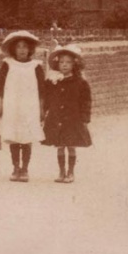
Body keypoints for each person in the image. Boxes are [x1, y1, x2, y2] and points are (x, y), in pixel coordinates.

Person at [0, 30, 45, 182]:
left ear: (30, 49)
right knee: (14, 136)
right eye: (18, 47)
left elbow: (42, 90)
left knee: (26, 137)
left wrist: (42, 109)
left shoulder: (36, 66)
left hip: (30, 106)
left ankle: (25, 169)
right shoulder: (7, 64)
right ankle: (15, 167)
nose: (22, 50)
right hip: (12, 105)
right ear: (13, 49)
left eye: (25, 47)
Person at [42, 44, 92, 183]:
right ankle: (61, 171)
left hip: (73, 118)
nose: (64, 65)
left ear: (74, 64)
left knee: (71, 144)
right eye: (61, 62)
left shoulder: (80, 82)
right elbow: (46, 98)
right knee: (59, 145)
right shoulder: (52, 81)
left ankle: (70, 172)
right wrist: (43, 112)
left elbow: (86, 101)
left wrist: (85, 117)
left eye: (68, 62)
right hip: (56, 116)